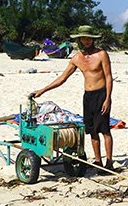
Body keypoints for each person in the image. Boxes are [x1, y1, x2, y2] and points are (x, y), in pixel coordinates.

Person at [31, 25, 115, 170]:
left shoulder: (101, 54)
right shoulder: (76, 58)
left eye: (88, 38)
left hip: (101, 95)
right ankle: (97, 161)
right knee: (92, 131)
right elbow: (63, 78)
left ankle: (109, 162)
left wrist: (108, 98)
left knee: (105, 130)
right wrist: (42, 90)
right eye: (83, 38)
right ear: (79, 40)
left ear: (92, 39)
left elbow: (108, 77)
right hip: (87, 97)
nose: (86, 41)